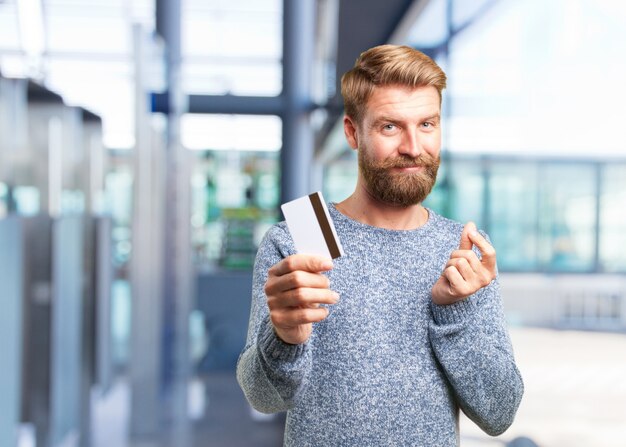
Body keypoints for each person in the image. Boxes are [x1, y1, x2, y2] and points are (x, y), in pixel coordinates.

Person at [237, 44, 523, 446]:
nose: (413, 147)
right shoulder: (298, 239)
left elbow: (499, 413)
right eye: (390, 126)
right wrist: (284, 336)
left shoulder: (463, 251)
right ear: (353, 132)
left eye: (427, 124)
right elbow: (264, 399)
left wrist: (455, 314)